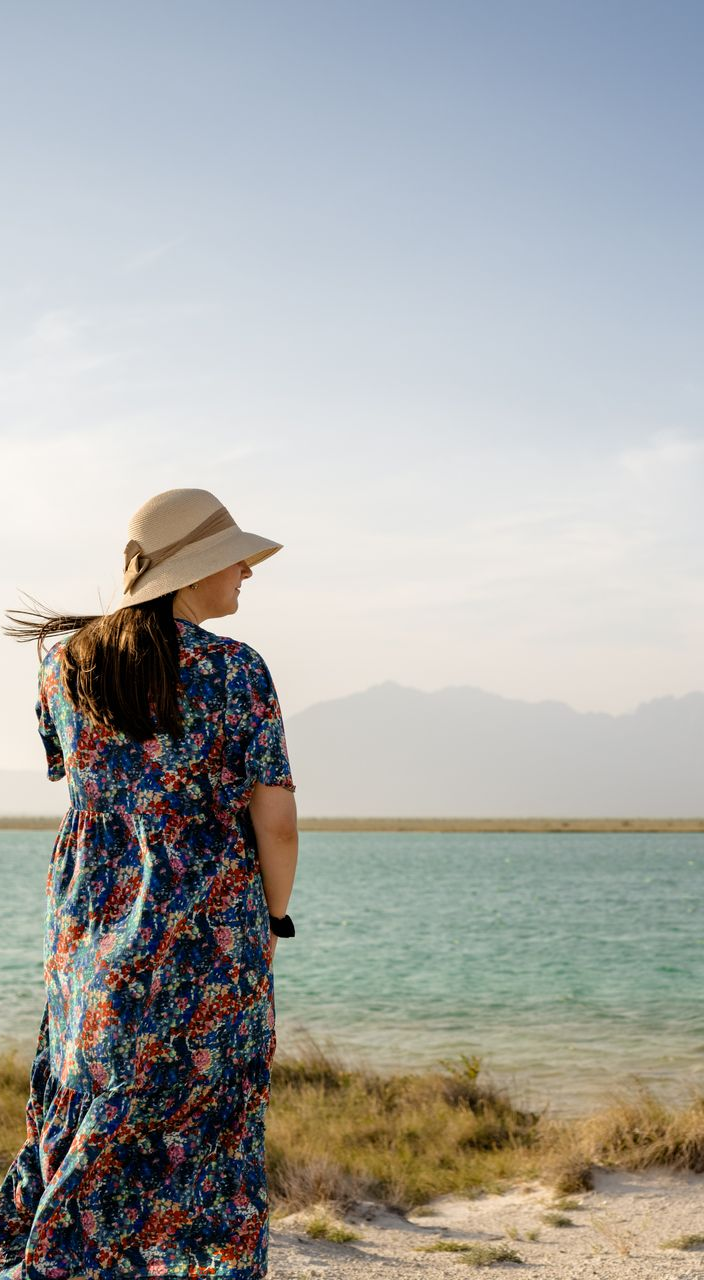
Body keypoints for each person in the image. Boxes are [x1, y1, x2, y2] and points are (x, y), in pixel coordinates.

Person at [0, 488, 298, 1280]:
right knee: (210, 1126)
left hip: (89, 934)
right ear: (191, 570)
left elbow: (85, 791)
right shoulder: (238, 671)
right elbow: (277, 822)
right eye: (234, 556)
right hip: (211, 935)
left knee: (88, 1102)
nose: (247, 570)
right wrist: (274, 918)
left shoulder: (64, 664)